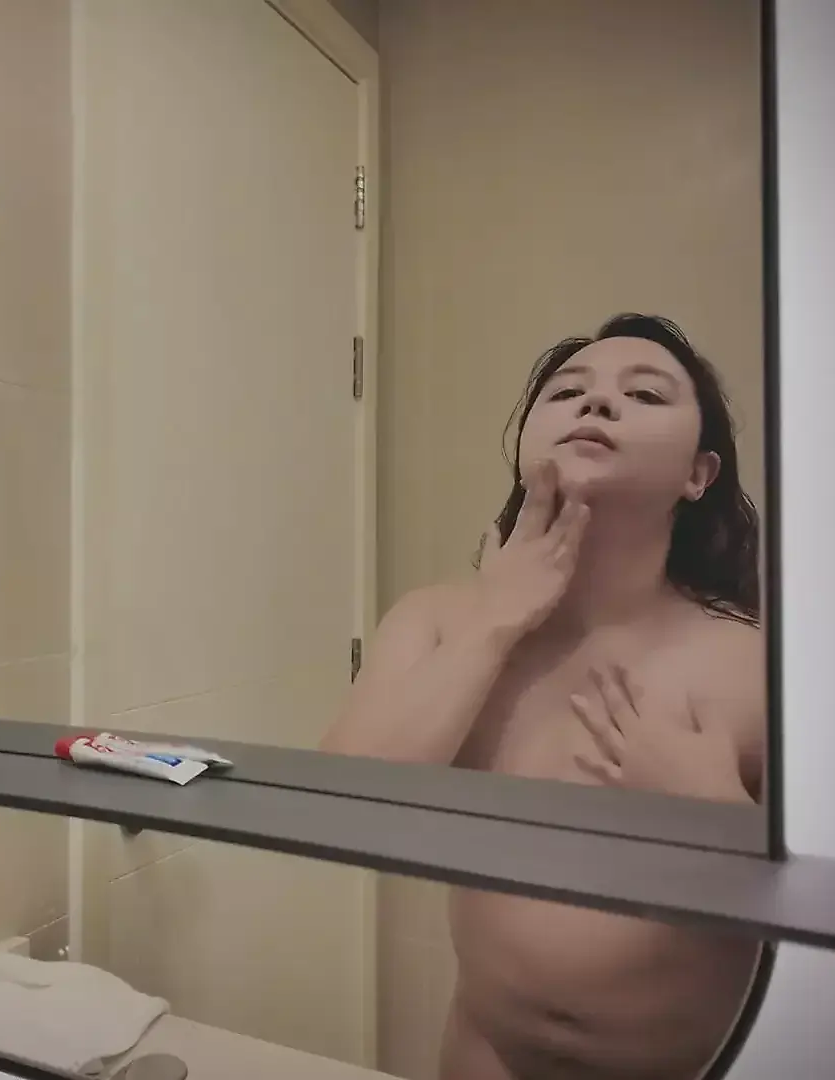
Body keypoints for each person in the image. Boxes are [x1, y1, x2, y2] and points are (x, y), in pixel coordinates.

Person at [319, 313, 768, 1080]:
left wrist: (716, 812)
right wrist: (491, 627)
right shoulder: (437, 621)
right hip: (483, 1057)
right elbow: (334, 815)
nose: (596, 403)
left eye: (645, 394)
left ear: (699, 474)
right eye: (566, 391)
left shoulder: (751, 662)